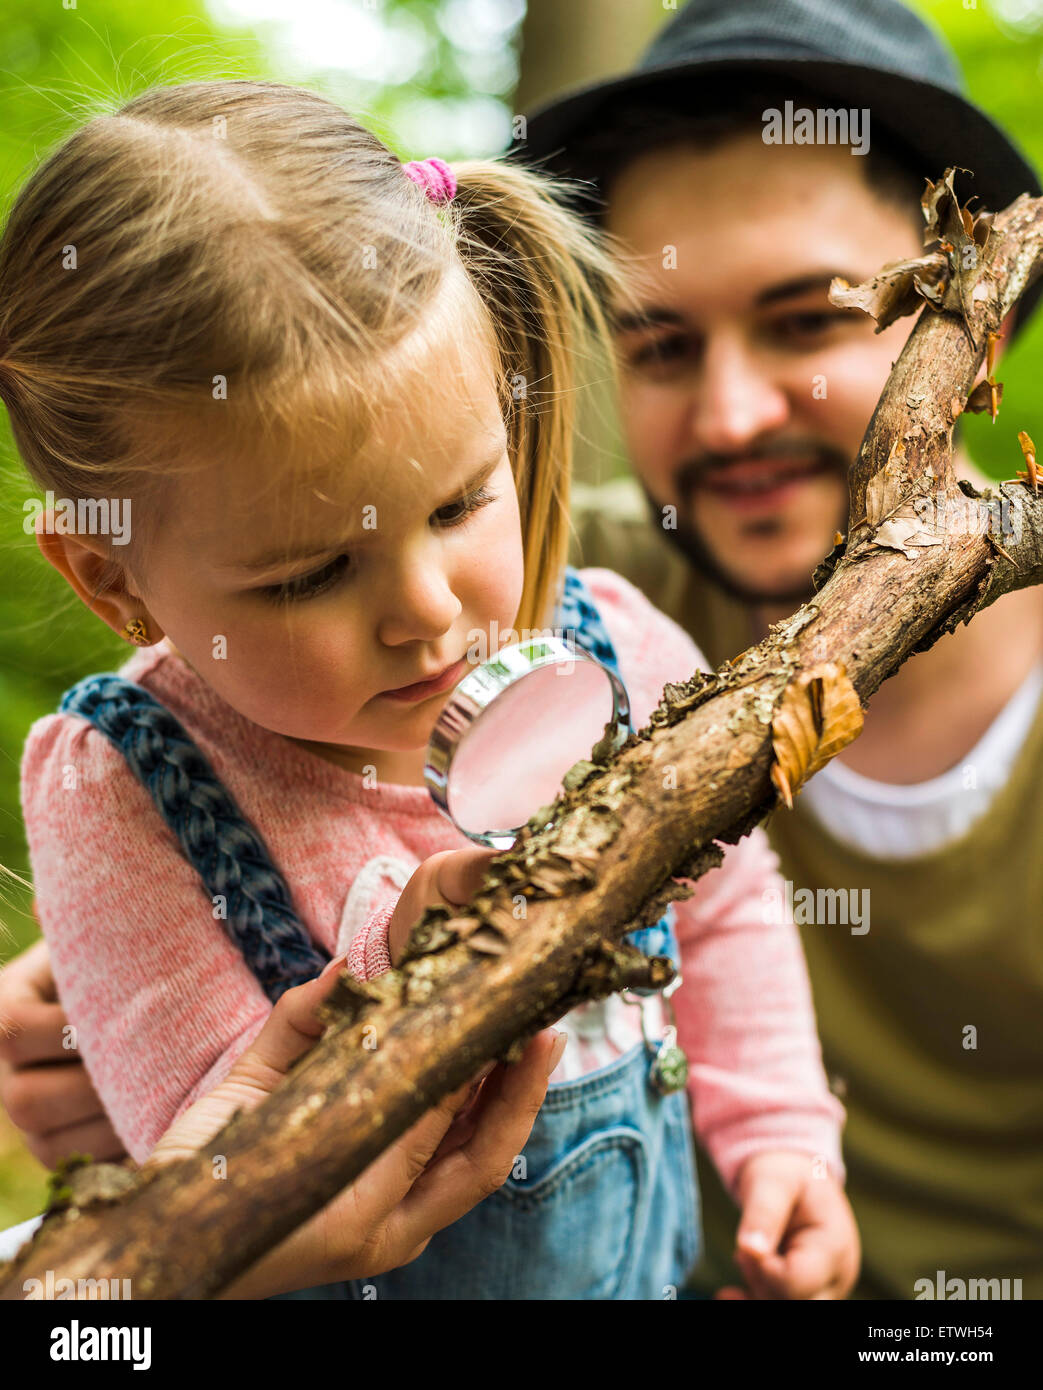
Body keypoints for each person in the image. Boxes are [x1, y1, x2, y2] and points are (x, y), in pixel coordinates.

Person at [0, 79, 854, 1299]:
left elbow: (719, 912)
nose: (427, 610)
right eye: (309, 575)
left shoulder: (615, 645)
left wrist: (780, 1136)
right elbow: (196, 1164)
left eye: (459, 503)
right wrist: (395, 958)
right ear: (109, 576)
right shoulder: (123, 792)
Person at [517, 0, 1043, 1298]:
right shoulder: (566, 595)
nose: (733, 412)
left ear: (975, 312)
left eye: (808, 320)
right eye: (659, 344)